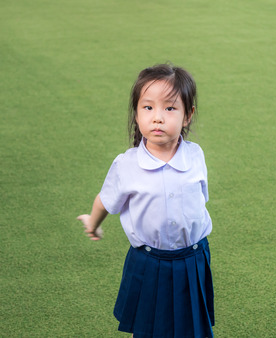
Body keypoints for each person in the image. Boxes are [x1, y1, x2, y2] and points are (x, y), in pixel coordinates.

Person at [77, 64, 214, 337]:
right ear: (137, 114)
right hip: (149, 263)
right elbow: (105, 200)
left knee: (193, 328)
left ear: (188, 116)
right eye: (148, 108)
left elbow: (200, 202)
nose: (158, 118)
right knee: (151, 329)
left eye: (170, 108)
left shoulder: (195, 155)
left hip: (193, 259)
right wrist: (92, 223)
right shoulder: (127, 165)